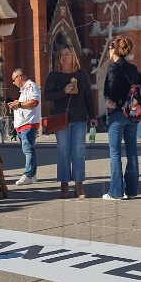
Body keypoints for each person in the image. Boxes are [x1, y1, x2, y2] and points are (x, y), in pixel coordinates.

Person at [42, 45, 97, 199]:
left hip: (79, 118)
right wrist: (63, 91)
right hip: (62, 120)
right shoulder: (54, 75)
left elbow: (88, 96)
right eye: (61, 55)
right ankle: (64, 183)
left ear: (73, 56)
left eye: (67, 54)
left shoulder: (81, 75)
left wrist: (92, 116)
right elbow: (47, 95)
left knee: (79, 152)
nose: (64, 57)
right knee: (63, 152)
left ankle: (79, 185)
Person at [103, 35, 141, 200]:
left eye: (110, 49)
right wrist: (134, 102)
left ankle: (116, 192)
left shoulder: (113, 68)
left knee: (115, 153)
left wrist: (116, 103)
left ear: (114, 50)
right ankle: (131, 191)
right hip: (132, 116)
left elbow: (111, 89)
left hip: (117, 116)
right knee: (132, 153)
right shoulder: (132, 68)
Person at [9, 68, 41, 185]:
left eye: (14, 80)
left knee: (28, 151)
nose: (13, 83)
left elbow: (34, 102)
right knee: (29, 150)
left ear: (20, 77)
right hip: (23, 125)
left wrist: (20, 104)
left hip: (28, 124)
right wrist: (17, 104)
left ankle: (28, 174)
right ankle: (32, 174)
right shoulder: (24, 90)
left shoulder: (30, 86)